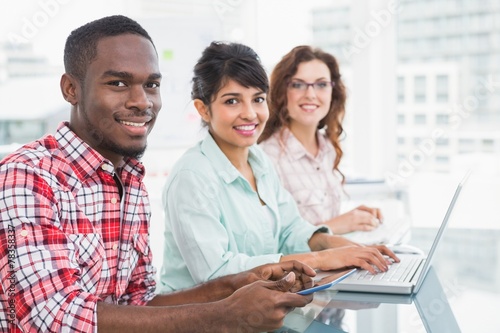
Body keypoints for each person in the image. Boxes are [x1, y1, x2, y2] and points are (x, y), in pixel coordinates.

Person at [0, 15, 318, 333]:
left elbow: (138, 308)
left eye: (151, 85)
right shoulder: (27, 176)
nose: (142, 102)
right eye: (118, 83)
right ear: (71, 89)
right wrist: (225, 314)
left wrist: (236, 284)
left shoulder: (130, 177)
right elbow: (55, 319)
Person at [158, 41, 398, 293]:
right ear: (203, 109)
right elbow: (216, 274)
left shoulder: (259, 160)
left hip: (258, 309)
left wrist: (334, 244)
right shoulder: (192, 177)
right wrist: (321, 258)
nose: (250, 113)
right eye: (232, 101)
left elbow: (290, 229)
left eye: (258, 99)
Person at [258, 45, 384, 236]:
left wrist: (353, 219)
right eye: (298, 84)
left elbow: (320, 222)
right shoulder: (267, 157)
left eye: (321, 84)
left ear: (333, 93)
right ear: (282, 92)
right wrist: (336, 226)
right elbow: (271, 242)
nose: (310, 94)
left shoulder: (328, 149)